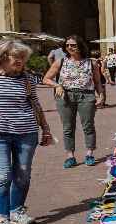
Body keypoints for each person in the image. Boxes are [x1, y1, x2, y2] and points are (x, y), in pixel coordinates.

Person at [0, 38, 55, 224]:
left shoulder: (26, 78)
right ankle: (2, 219)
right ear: (3, 56)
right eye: (17, 57)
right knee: (2, 176)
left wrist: (46, 129)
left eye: (24, 58)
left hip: (26, 132)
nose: (21, 61)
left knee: (22, 175)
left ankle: (17, 210)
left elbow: (36, 105)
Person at [43, 34, 106, 167]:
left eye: (73, 45)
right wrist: (57, 85)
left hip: (87, 96)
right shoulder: (61, 61)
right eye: (67, 45)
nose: (70, 47)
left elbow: (97, 82)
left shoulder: (92, 62)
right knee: (68, 127)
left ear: (80, 46)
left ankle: (89, 153)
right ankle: (70, 156)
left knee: (88, 126)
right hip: (65, 96)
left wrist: (101, 96)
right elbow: (46, 79)